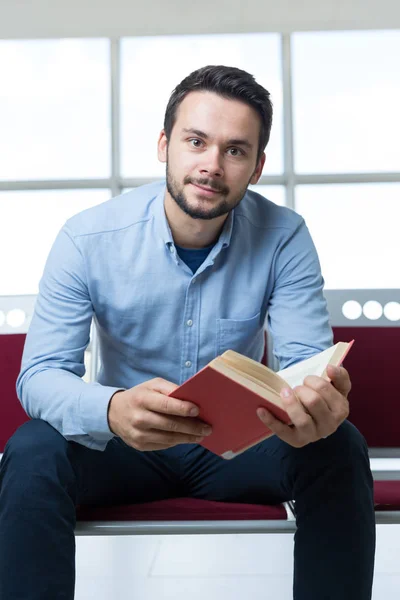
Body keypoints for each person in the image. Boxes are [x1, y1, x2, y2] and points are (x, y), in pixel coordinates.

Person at [0, 65, 375, 599]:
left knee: (338, 445)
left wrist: (315, 408)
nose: (211, 166)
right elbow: (38, 376)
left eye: (235, 150)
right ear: (164, 145)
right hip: (122, 444)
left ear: (258, 166)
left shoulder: (285, 236)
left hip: (238, 446)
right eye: (196, 141)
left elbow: (303, 364)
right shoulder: (86, 237)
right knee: (33, 447)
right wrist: (111, 409)